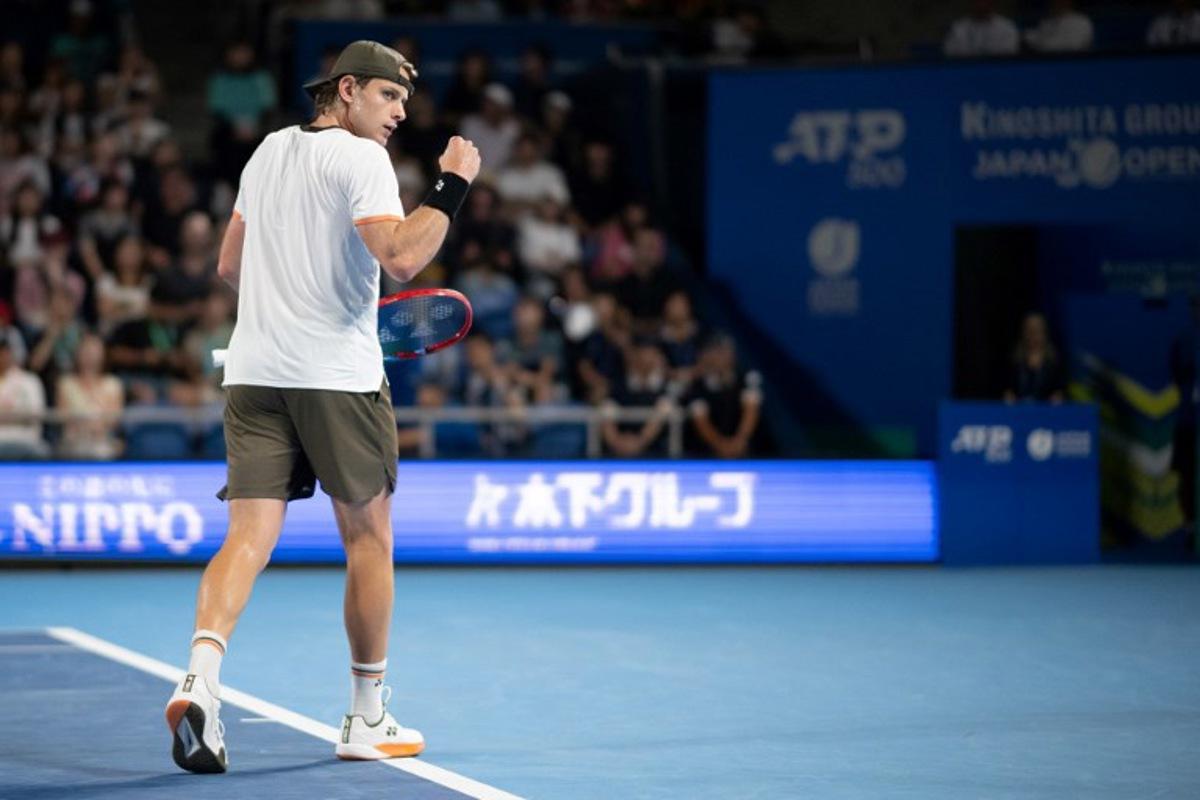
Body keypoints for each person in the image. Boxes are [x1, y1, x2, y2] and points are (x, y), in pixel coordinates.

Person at [162, 40, 480, 774]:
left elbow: (230, 267)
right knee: (368, 539)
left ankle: (200, 681)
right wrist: (451, 186)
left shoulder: (267, 151)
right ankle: (367, 716)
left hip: (254, 370)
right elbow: (401, 257)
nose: (400, 112)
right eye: (388, 97)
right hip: (335, 377)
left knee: (248, 537)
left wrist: (300, 303)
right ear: (345, 90)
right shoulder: (362, 158)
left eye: (404, 100)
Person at [683, 333, 762, 459]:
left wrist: (740, 440)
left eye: (724, 351)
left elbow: (751, 410)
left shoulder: (746, 378)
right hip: (708, 452)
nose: (720, 357)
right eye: (716, 352)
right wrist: (720, 445)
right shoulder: (698, 385)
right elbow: (701, 420)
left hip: (743, 448)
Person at [1004, 312, 1065, 403]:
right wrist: (1009, 397)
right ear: (1023, 332)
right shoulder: (1015, 360)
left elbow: (1059, 391)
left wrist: (1057, 398)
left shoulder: (1054, 362)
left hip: (1046, 413)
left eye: (1037, 331)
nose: (1033, 335)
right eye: (1030, 330)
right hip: (1018, 412)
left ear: (1044, 333)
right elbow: (1008, 389)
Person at [943, 0, 1020, 57]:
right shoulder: (958, 27)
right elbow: (949, 53)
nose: (980, 4)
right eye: (977, 1)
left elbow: (1010, 53)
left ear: (992, 2)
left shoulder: (1006, 27)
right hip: (966, 72)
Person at [1024, 0, 1094, 52]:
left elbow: (1068, 48)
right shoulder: (1048, 22)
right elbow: (1035, 37)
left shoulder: (1080, 21)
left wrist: (1037, 43)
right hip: (1047, 66)